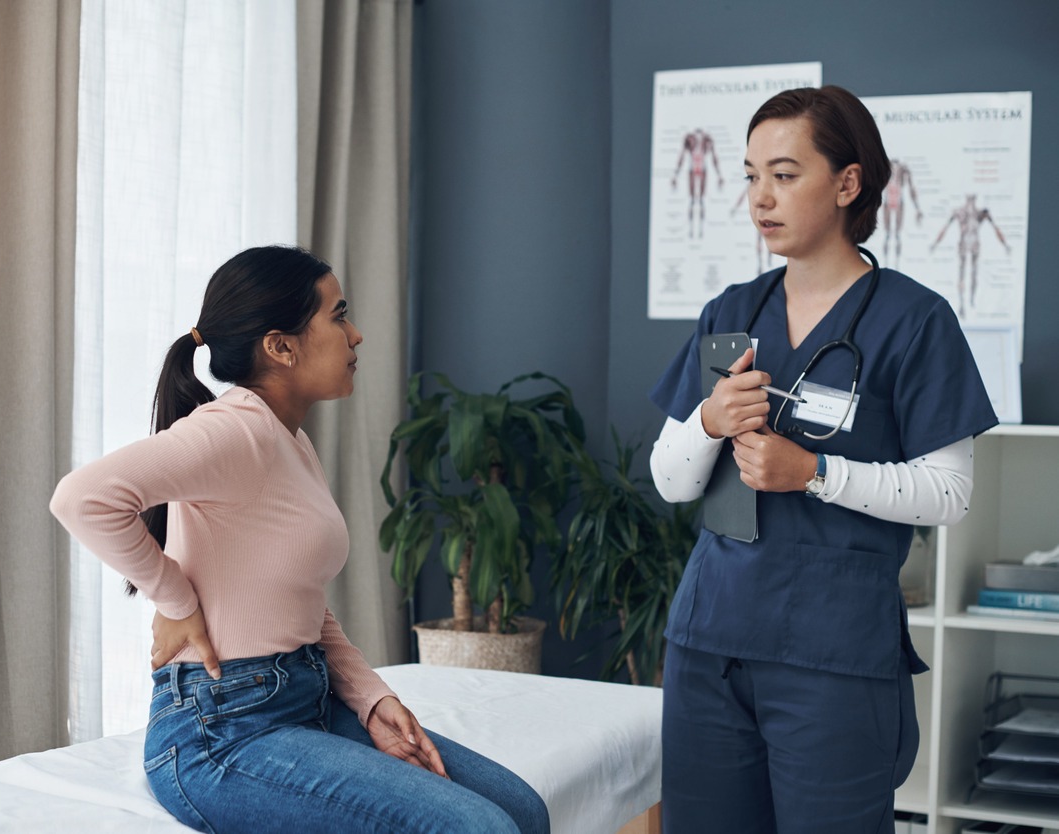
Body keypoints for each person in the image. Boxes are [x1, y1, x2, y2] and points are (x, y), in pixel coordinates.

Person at [51, 245, 550, 834]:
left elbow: (304, 606)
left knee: (522, 811)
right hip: (221, 734)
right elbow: (83, 498)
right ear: (280, 346)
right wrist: (175, 599)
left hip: (305, 698)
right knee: (479, 828)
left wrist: (370, 698)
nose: (356, 334)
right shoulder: (233, 431)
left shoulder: (288, 440)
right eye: (339, 315)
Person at [648, 87, 997, 834]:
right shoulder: (730, 311)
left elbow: (948, 494)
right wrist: (710, 420)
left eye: (783, 173)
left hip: (834, 654)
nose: (759, 198)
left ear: (848, 183)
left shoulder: (915, 320)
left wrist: (814, 473)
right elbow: (672, 480)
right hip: (710, 642)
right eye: (749, 176)